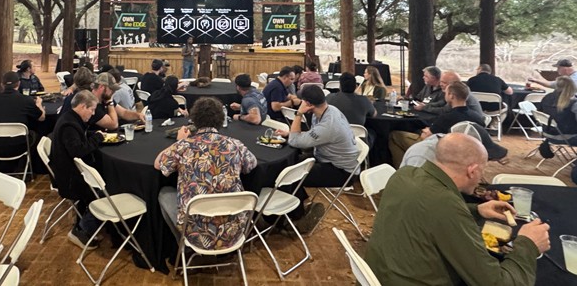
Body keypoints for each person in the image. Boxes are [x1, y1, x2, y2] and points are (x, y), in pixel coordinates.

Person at [366, 133, 550, 285]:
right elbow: (497, 282)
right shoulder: (445, 202)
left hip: (381, 273)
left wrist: (477, 210)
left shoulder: (404, 174)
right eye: (482, 171)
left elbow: (427, 213)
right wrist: (528, 244)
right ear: (472, 170)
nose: (481, 178)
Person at [155, 97, 257, 249]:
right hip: (232, 232)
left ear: (194, 120)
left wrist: (178, 142)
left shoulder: (183, 146)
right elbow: (252, 164)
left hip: (195, 233)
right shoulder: (235, 144)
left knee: (163, 193)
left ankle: (181, 244)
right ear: (220, 120)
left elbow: (158, 164)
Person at [274, 85, 360, 233]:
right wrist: (291, 133)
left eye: (302, 101)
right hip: (328, 158)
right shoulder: (329, 110)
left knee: (290, 176)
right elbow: (312, 135)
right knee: (292, 164)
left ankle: (297, 220)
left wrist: (299, 114)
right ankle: (300, 206)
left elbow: (295, 142)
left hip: (341, 170)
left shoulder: (328, 125)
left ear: (308, 104)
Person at [50, 90, 105, 249]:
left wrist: (93, 135)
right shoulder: (69, 125)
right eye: (92, 109)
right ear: (82, 106)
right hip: (69, 180)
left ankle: (86, 224)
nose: (93, 114)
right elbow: (78, 151)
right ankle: (81, 230)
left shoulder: (69, 118)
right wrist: (97, 138)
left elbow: (78, 140)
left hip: (66, 172)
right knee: (102, 191)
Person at [389, 82, 485, 166]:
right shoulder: (477, 117)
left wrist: (425, 130)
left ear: (451, 96)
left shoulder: (447, 117)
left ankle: (403, 169)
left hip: (443, 150)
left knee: (394, 135)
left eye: (446, 93)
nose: (444, 95)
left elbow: (426, 136)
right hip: (470, 153)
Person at [415, 70, 486, 117]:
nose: (440, 84)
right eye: (441, 81)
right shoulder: (458, 90)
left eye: (444, 82)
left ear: (453, 84)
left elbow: (444, 111)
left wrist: (424, 108)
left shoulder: (458, 93)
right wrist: (426, 105)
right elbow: (442, 103)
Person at [541, 76, 577, 143]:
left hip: (547, 133)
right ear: (573, 87)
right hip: (568, 137)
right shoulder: (574, 103)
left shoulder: (547, 97)